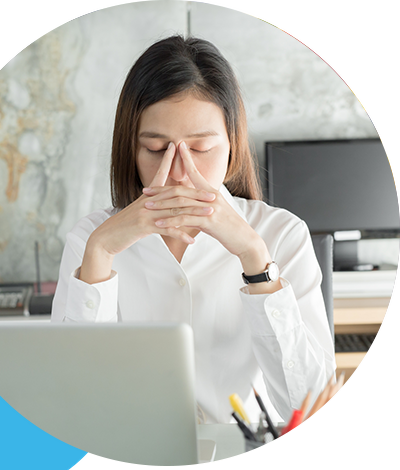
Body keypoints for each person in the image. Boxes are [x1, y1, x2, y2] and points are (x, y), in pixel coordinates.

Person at [51, 35, 336, 424]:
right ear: (130, 150)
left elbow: (313, 410)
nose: (181, 173)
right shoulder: (91, 239)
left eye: (201, 149)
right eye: (155, 149)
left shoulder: (281, 234)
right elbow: (69, 408)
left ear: (233, 146)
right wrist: (99, 254)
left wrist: (254, 257)